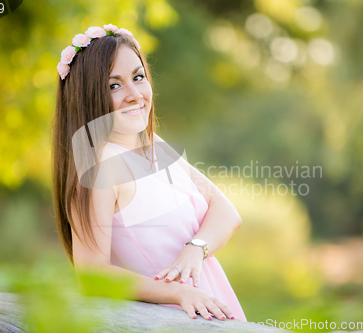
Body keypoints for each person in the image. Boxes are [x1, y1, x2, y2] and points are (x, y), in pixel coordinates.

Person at [51, 23, 247, 322]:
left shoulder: (156, 147)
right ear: (87, 98)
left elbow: (227, 212)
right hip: (168, 319)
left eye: (138, 77)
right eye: (113, 85)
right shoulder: (99, 167)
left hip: (209, 306)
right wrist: (180, 293)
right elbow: (91, 273)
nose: (134, 95)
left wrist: (195, 249)